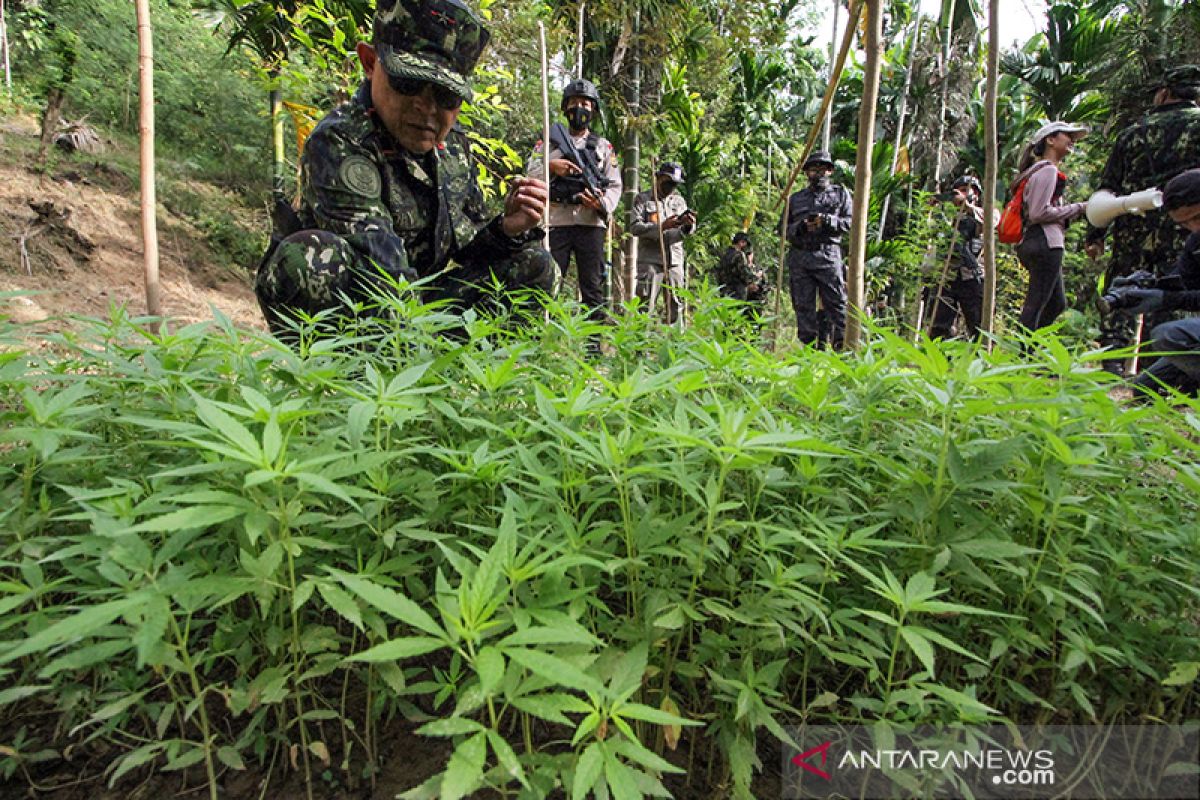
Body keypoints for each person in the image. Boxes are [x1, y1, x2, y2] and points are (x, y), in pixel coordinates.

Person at [255, 0, 554, 338]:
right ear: (370, 62)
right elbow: (380, 264)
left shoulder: (453, 148)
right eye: (408, 83)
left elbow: (466, 248)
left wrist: (505, 230)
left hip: (416, 305)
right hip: (355, 310)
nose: (425, 107)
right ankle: (351, 382)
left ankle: (478, 385)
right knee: (311, 257)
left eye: (445, 95)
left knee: (534, 265)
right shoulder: (340, 141)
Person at [1085, 65, 1200, 374]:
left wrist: (1094, 235)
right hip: (1183, 228)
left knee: (1123, 292)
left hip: (1132, 225)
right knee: (1170, 297)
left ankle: (1112, 367)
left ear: (1165, 93)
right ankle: (1158, 372)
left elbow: (1109, 187)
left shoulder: (1134, 131)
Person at [527, 78, 622, 321]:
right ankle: (544, 339)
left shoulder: (603, 147)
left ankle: (593, 349)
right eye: (574, 103)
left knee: (592, 288)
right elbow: (530, 174)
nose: (579, 108)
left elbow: (614, 185)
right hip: (556, 221)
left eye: (586, 104)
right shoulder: (548, 143)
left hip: (590, 224)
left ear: (594, 110)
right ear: (565, 107)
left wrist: (601, 204)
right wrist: (550, 166)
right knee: (549, 282)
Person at [1107, 169, 1200, 398]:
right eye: (1185, 223)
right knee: (1144, 389)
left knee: (1170, 335)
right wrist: (1147, 287)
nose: (1194, 227)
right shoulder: (1195, 244)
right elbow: (1185, 282)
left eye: (1197, 218)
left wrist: (1167, 300)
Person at [1011, 121, 1088, 332]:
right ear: (1050, 140)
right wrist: (1080, 208)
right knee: (1036, 304)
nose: (1072, 141)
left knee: (1056, 304)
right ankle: (1022, 356)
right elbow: (1039, 212)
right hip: (1045, 241)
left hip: (1035, 240)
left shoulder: (1037, 171)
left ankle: (1031, 351)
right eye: (1067, 136)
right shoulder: (1047, 171)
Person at [784, 150, 852, 348]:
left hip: (828, 255)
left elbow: (850, 223)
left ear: (830, 171)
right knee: (803, 305)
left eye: (822, 169)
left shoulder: (841, 194)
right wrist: (802, 227)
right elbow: (783, 230)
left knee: (837, 303)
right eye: (814, 169)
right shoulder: (795, 199)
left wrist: (827, 221)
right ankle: (811, 350)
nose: (818, 173)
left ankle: (843, 347)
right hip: (801, 257)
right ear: (807, 173)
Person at [631, 163, 696, 324]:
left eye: (675, 184)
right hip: (651, 261)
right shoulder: (643, 199)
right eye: (668, 183)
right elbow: (634, 227)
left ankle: (675, 346)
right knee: (645, 306)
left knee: (676, 306)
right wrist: (661, 227)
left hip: (674, 261)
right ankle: (641, 347)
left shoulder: (679, 202)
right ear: (658, 178)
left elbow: (684, 231)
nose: (671, 187)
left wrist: (688, 225)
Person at [927, 176, 985, 339]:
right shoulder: (946, 218)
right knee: (939, 328)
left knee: (978, 328)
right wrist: (933, 209)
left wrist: (967, 206)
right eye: (960, 191)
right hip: (947, 278)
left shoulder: (982, 213)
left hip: (974, 278)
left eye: (967, 191)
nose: (963, 194)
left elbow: (992, 221)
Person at [716, 232, 767, 322]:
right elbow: (745, 275)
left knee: (726, 319)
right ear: (741, 242)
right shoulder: (738, 255)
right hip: (736, 292)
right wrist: (757, 275)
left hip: (724, 291)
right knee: (736, 319)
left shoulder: (725, 254)